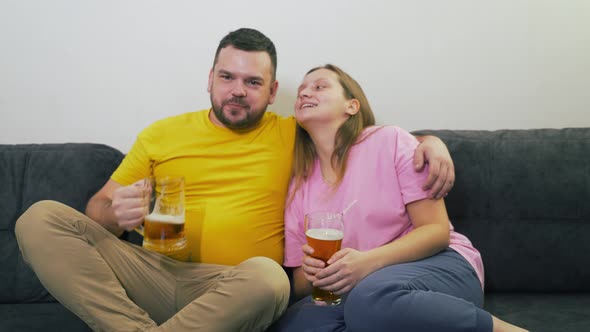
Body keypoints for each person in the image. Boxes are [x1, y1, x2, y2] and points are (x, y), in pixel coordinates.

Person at [15, 29, 454, 332]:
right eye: (227, 77)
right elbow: (98, 213)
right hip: (149, 273)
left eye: (252, 81)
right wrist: (117, 213)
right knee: (40, 218)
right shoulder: (160, 134)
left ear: (271, 89)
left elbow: (359, 140)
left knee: (269, 277)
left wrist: (430, 141)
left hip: (235, 288)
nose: (237, 90)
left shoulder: (293, 133)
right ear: (210, 79)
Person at [271, 64, 527, 332]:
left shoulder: (390, 140)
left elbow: (436, 231)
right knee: (292, 324)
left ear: (352, 106)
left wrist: (366, 263)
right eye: (301, 90)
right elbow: (299, 282)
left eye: (319, 86)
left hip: (437, 264)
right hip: (358, 289)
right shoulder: (299, 187)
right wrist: (313, 273)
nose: (304, 93)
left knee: (371, 300)